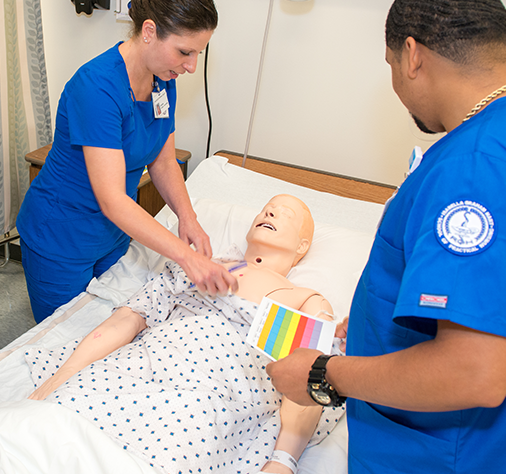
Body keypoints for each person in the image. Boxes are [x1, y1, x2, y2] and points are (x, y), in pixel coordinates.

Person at [266, 0, 506, 473]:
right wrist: (375, 326)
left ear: (413, 54)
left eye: (391, 66)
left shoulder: (478, 165)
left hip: (455, 455)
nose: (397, 85)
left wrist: (325, 374)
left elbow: (475, 370)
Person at [29, 195, 340, 474]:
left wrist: (283, 461)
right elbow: (129, 317)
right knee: (53, 419)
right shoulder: (198, 266)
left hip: (212, 390)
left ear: (302, 246)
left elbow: (310, 378)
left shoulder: (305, 300)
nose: (270, 213)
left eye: (284, 213)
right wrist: (64, 375)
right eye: (267, 208)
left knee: (176, 442)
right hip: (142, 362)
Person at [17, 0, 236, 322]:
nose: (192, 66)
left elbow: (163, 161)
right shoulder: (97, 88)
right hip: (61, 235)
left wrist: (188, 218)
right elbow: (113, 199)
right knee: (67, 336)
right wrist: (186, 257)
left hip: (113, 233)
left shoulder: (163, 79)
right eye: (185, 52)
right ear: (149, 31)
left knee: (116, 328)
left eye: (199, 53)